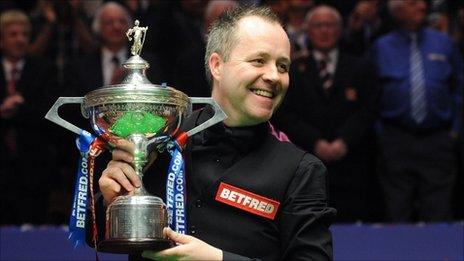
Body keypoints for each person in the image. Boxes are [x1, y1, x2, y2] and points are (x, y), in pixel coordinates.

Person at [94, 6, 335, 260]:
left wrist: (218, 259)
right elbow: (96, 237)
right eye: (259, 61)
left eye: (283, 66)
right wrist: (110, 204)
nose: (274, 76)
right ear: (217, 65)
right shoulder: (159, 140)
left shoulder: (301, 171)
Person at [272, 5, 379, 223]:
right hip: (306, 160)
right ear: (307, 30)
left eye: (330, 25)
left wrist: (344, 141)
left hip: (353, 163)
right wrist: (316, 142)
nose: (324, 31)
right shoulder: (291, 70)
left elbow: (368, 110)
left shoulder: (361, 66)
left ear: (340, 30)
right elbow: (285, 113)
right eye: (318, 25)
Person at [371, 0, 463, 222]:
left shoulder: (445, 43)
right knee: (397, 211)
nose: (421, 7)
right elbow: (371, 95)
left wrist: (455, 131)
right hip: (395, 138)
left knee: (439, 213)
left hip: (438, 139)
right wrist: (381, 134)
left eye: (423, 3)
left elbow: (459, 89)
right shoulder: (381, 46)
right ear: (396, 10)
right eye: (413, 3)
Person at [0, 9, 57, 224]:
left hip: (33, 166)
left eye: (24, 34)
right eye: (13, 35)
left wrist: (17, 109)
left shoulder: (43, 69)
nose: (20, 40)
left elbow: (48, 113)